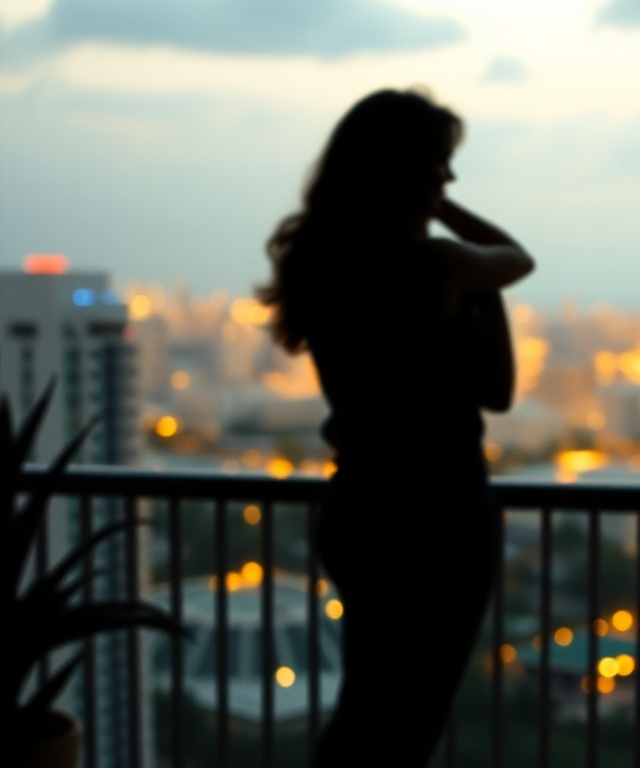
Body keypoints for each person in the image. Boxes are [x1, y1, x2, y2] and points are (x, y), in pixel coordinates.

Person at [256, 87, 535, 767]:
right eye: (440, 164)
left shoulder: (327, 263)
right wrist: (446, 218)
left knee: (370, 713)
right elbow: (514, 259)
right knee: (407, 724)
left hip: (361, 505)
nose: (450, 178)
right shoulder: (432, 266)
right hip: (436, 514)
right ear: (404, 170)